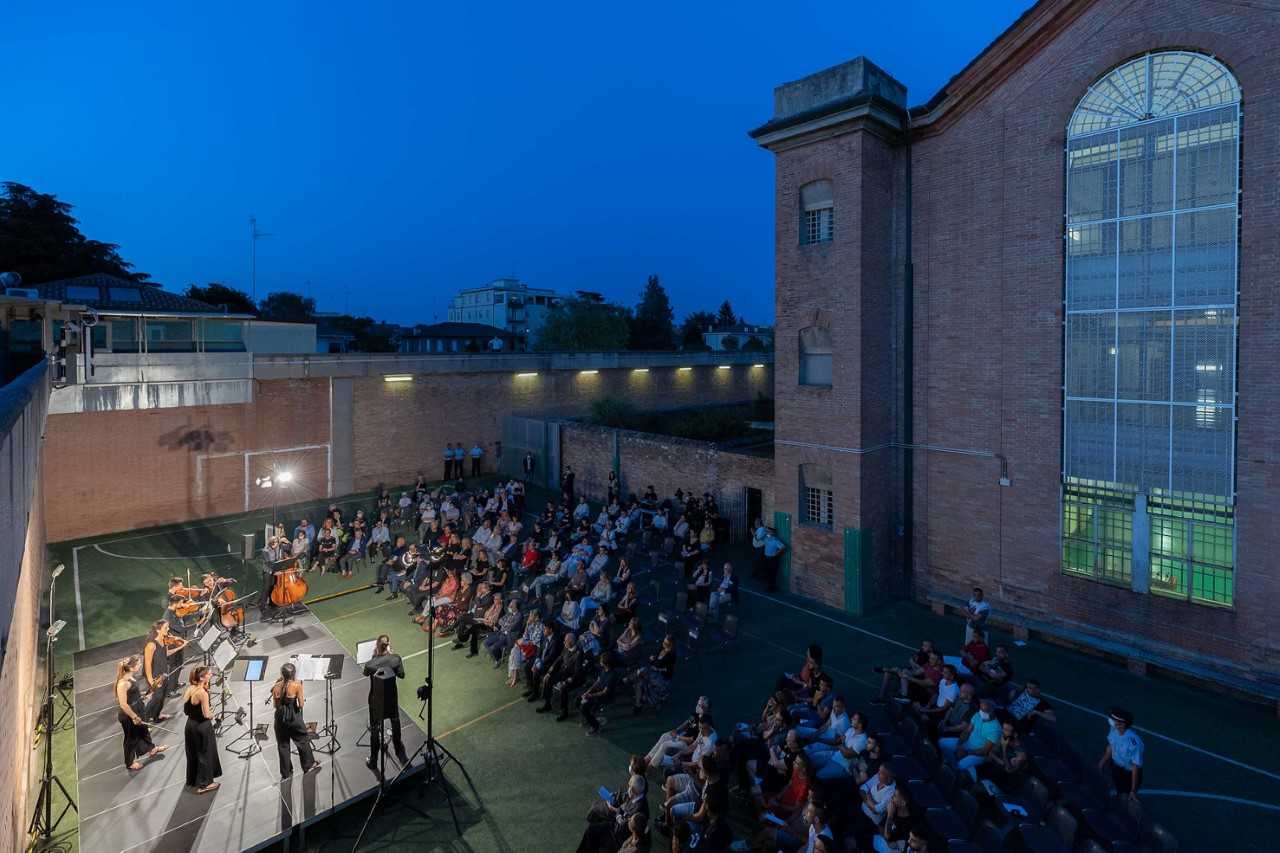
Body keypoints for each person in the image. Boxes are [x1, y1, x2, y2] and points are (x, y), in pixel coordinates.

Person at [363, 635, 408, 769]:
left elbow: (365, 673)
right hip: (391, 698)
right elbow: (401, 675)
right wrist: (391, 657)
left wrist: (374, 657)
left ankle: (373, 761)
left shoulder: (370, 664)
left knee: (375, 729)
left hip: (375, 700)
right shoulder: (395, 659)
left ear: (377, 646)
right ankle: (398, 749)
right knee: (395, 721)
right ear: (388, 646)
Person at [115, 656, 167, 771]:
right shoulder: (123, 683)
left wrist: (147, 694)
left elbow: (134, 696)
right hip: (128, 715)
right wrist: (134, 717)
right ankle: (129, 763)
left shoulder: (131, 677)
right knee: (131, 739)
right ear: (131, 668)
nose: (140, 665)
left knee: (144, 731)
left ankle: (151, 749)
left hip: (138, 708)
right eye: (138, 664)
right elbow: (123, 704)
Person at [270, 662, 320, 779]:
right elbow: (301, 704)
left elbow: (276, 706)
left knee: (283, 745)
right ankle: (308, 765)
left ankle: (286, 772)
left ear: (282, 674)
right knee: (302, 741)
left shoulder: (276, 687)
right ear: (294, 674)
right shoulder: (297, 685)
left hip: (280, 719)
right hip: (293, 718)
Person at [938, 697, 1000, 780]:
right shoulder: (977, 715)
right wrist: (959, 746)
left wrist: (966, 752)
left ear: (992, 711)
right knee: (941, 742)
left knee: (960, 765)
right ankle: (952, 765)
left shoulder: (995, 729)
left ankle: (956, 772)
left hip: (978, 754)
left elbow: (984, 751)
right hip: (967, 744)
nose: (981, 712)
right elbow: (966, 732)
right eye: (981, 708)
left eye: (984, 710)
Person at [182, 665, 222, 794]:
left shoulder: (190, 689)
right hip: (202, 727)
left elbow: (186, 710)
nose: (211, 675)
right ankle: (206, 784)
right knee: (205, 754)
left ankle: (194, 780)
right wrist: (212, 713)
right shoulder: (202, 693)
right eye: (209, 674)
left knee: (194, 753)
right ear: (201, 677)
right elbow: (206, 714)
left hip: (190, 725)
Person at [142, 619, 184, 722]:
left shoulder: (164, 639)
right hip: (154, 674)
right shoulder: (151, 644)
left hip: (163, 671)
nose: (168, 629)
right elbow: (147, 664)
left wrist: (180, 647)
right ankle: (144, 720)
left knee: (162, 696)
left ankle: (157, 716)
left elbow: (165, 654)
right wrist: (151, 681)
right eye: (166, 628)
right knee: (157, 697)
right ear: (158, 630)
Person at [1100, 707, 1143, 800]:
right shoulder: (1113, 730)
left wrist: (1133, 790)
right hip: (1116, 768)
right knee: (1119, 791)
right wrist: (1102, 763)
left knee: (1127, 798)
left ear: (1122, 724)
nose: (1110, 720)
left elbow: (1135, 767)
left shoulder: (1134, 743)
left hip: (1128, 773)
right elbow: (1111, 746)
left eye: (1113, 719)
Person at [761, 528, 786, 592]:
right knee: (766, 571)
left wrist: (777, 553)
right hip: (766, 558)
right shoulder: (766, 538)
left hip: (772, 559)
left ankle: (771, 588)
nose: (768, 533)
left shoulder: (775, 540)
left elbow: (783, 547)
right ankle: (768, 585)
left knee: (772, 574)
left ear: (773, 533)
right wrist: (765, 532)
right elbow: (760, 537)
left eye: (770, 532)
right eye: (768, 531)